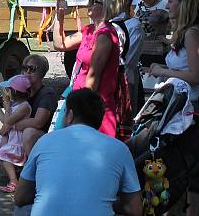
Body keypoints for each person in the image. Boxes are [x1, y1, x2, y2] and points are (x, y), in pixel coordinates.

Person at [13, 88, 142, 216]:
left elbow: (20, 198)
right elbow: (135, 209)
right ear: (99, 119)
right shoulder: (119, 149)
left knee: (21, 210)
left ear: (70, 115)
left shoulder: (45, 141)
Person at [144, 0, 199, 216]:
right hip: (176, 107)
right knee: (167, 160)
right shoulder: (184, 33)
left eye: (172, 1)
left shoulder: (193, 33)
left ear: (184, 4)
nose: (167, 5)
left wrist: (164, 72)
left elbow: (197, 75)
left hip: (188, 110)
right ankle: (164, 207)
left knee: (190, 164)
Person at [53, 0, 124, 137]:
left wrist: (82, 113)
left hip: (92, 107)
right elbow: (60, 44)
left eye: (93, 1)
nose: (88, 4)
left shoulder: (105, 36)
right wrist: (59, 17)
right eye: (89, 0)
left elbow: (94, 77)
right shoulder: (89, 30)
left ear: (105, 6)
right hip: (79, 100)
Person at [10, 54, 57, 157]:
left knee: (29, 133)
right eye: (24, 68)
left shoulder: (47, 93)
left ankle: (32, 167)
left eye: (32, 69)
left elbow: (38, 122)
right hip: (22, 134)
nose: (27, 72)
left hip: (44, 136)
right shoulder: (22, 92)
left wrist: (12, 125)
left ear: (41, 73)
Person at [112, 0, 143, 114]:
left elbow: (127, 58)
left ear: (125, 1)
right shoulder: (109, 23)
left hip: (124, 79)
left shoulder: (133, 25)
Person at [136, 0, 170, 67]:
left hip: (159, 52)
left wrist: (168, 40)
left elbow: (176, 26)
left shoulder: (165, 5)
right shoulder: (139, 5)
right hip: (141, 50)